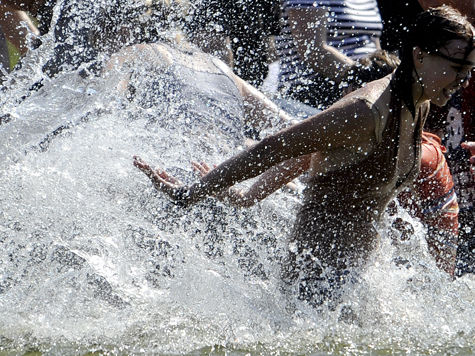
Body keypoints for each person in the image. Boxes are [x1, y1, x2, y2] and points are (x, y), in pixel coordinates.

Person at [134, 6, 475, 307]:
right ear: (419, 55)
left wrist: (248, 195)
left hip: (360, 281)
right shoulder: (366, 111)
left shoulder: (421, 102)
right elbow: (274, 146)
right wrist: (197, 191)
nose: (463, 79)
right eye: (457, 65)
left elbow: (316, 149)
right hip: (314, 286)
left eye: (469, 69)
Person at [276, 0, 383, 108]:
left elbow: (375, 46)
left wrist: (383, 75)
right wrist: (364, 78)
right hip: (314, 88)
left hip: (361, 83)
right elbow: (314, 51)